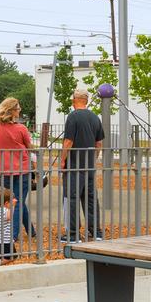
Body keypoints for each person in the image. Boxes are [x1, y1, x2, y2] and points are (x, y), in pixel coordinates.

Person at [59, 88, 105, 242]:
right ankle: (96, 231)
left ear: (74, 100)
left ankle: (72, 234)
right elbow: (99, 143)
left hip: (74, 166)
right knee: (91, 198)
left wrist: (63, 160)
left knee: (71, 198)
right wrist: (93, 159)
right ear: (86, 100)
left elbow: (68, 141)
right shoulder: (94, 117)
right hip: (89, 165)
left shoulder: (73, 117)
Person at [0, 96, 38, 242]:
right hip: (22, 169)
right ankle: (13, 235)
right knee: (16, 202)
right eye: (18, 108)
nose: (20, 110)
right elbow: (29, 147)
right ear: (12, 111)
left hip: (5, 169)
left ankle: (31, 231)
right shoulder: (21, 128)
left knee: (15, 200)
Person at [0, 188, 17, 264]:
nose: (15, 200)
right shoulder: (5, 210)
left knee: (0, 257)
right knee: (13, 256)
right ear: (6, 203)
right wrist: (13, 206)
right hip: (5, 240)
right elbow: (9, 217)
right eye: (12, 200)